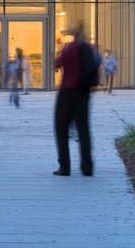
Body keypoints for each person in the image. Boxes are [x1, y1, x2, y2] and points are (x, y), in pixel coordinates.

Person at [53, 26, 95, 177]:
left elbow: (57, 64)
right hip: (83, 94)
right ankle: (87, 167)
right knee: (83, 130)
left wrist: (59, 52)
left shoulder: (69, 47)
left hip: (67, 93)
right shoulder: (88, 49)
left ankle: (65, 167)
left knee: (61, 129)